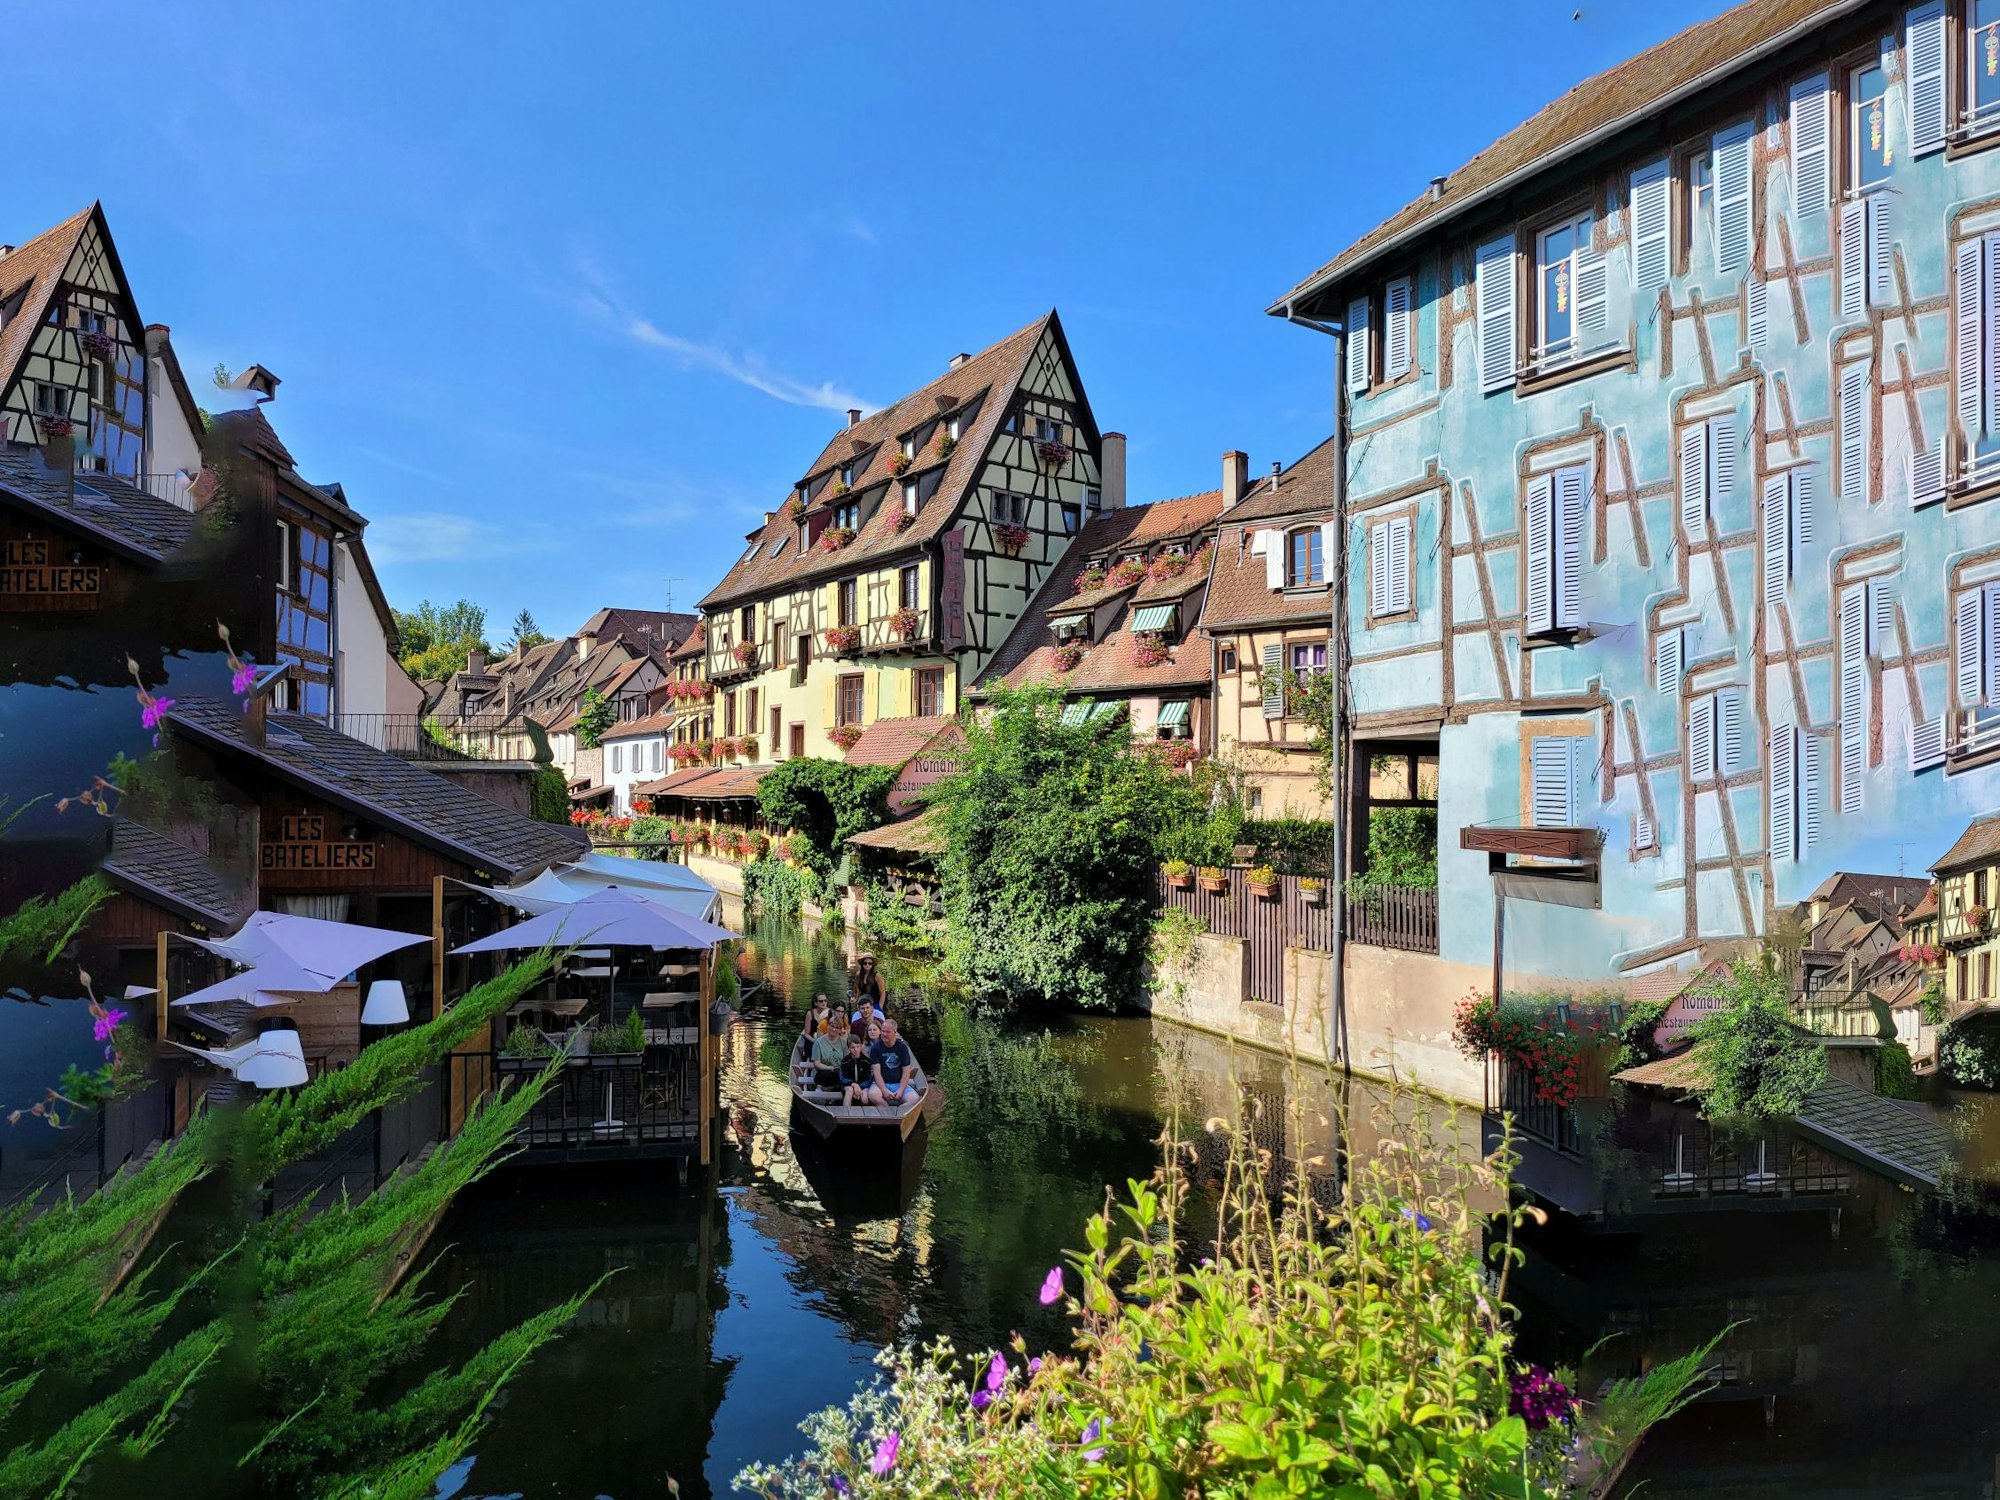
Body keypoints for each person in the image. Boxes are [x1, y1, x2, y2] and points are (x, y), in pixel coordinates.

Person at [869, 1017, 918, 1107]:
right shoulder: (875, 1048)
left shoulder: (902, 1048)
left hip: (898, 1084)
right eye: (883, 1031)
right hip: (881, 1084)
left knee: (914, 1099)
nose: (884, 1034)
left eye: (888, 1032)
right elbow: (876, 1072)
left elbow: (906, 1072)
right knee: (873, 1096)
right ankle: (888, 1111)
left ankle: (900, 1111)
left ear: (895, 1033)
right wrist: (884, 1090)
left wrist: (900, 1090)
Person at [806, 1013, 845, 1091]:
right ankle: (826, 1088)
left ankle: (834, 1088)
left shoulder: (843, 1042)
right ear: (828, 1026)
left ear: (840, 1030)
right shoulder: (818, 1042)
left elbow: (846, 1060)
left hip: (838, 1072)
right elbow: (816, 1064)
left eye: (837, 1028)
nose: (834, 1029)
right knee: (827, 1074)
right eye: (832, 1026)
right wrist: (829, 1068)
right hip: (823, 1072)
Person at [836, 1030, 875, 1107]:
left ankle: (865, 1113)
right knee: (849, 1090)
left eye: (858, 1047)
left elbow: (868, 1079)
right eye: (853, 1047)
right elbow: (843, 1078)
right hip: (848, 1085)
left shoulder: (866, 1061)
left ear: (861, 1047)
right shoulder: (845, 1061)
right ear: (849, 1048)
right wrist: (854, 1085)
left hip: (863, 1086)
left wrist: (859, 1088)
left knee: (864, 1098)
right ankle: (846, 1112)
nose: (856, 1049)